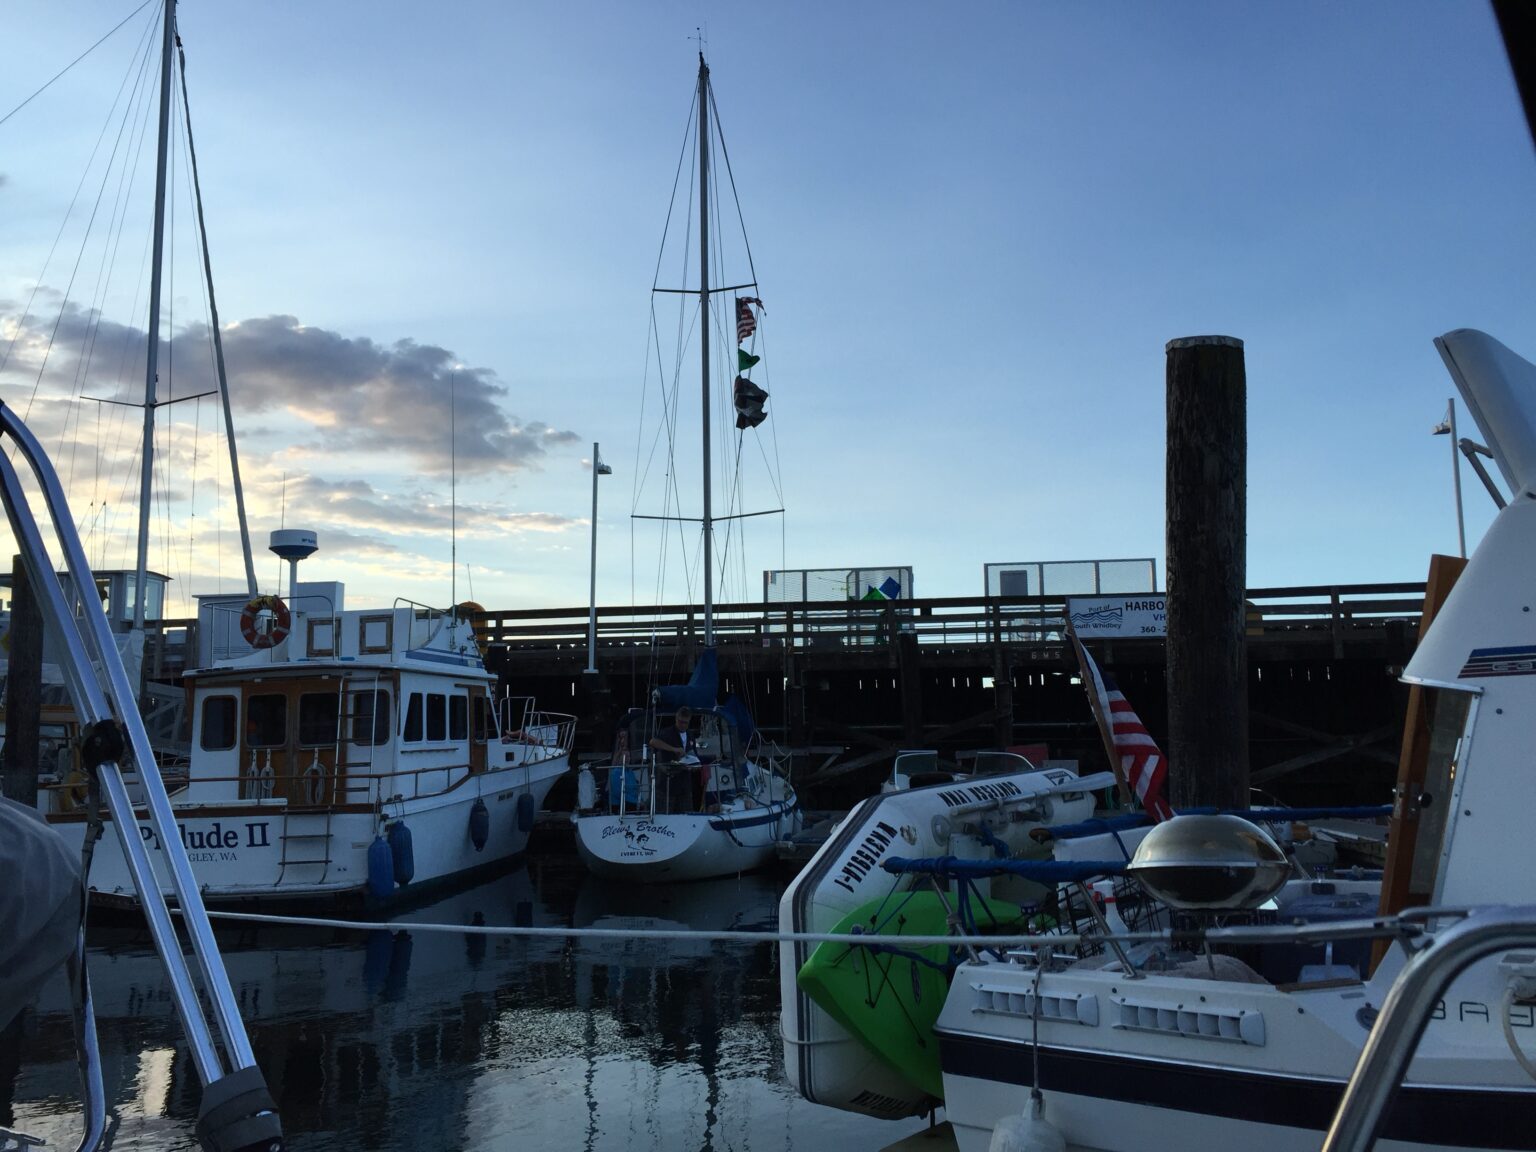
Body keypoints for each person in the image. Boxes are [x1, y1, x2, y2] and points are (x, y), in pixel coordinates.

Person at [648, 707, 694, 812]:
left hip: (684, 783)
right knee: (665, 814)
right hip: (668, 782)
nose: (683, 725)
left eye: (685, 723)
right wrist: (674, 749)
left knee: (686, 814)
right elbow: (653, 742)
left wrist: (694, 764)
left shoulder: (690, 734)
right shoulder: (667, 732)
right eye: (680, 722)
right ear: (676, 719)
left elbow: (692, 752)